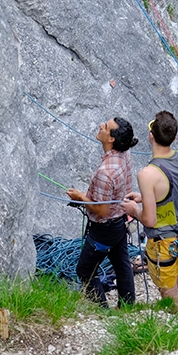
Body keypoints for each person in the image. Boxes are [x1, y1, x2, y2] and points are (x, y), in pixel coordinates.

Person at [122, 111, 178, 307]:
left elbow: (149, 220)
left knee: (168, 291)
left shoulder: (147, 174)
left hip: (162, 242)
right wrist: (147, 198)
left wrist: (133, 210)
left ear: (151, 135)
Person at [67, 117, 138, 307]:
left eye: (105, 127)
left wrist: (80, 197)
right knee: (122, 262)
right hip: (121, 220)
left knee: (85, 269)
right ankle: (127, 306)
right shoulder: (125, 155)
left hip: (104, 229)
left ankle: (101, 310)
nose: (100, 126)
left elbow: (101, 211)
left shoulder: (105, 172)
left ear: (111, 139)